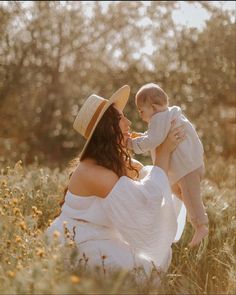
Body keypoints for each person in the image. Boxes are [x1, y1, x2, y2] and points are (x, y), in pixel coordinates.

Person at [46, 85, 186, 278]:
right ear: (107, 128)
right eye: (121, 118)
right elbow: (145, 202)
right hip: (77, 243)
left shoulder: (116, 162)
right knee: (145, 272)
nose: (129, 123)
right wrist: (163, 153)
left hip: (102, 237)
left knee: (151, 264)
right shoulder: (92, 172)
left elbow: (152, 180)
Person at [127, 83, 208, 247]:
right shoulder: (168, 116)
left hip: (186, 169)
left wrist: (131, 143)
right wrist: (142, 136)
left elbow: (154, 140)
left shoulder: (159, 118)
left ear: (154, 107)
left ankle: (201, 226)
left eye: (142, 111)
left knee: (190, 197)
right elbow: (156, 135)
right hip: (191, 164)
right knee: (180, 192)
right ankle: (195, 210)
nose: (141, 116)